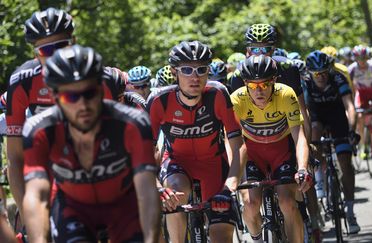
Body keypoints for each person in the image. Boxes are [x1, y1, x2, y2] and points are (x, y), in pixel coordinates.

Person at [22, 45, 160, 242]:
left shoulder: (132, 122)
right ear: (54, 97)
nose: (83, 105)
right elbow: (37, 196)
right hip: (72, 208)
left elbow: (146, 190)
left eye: (90, 94)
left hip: (124, 207)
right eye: (71, 96)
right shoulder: (40, 129)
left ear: (101, 89)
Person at [6, 8, 124, 219]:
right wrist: (27, 218)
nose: (54, 57)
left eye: (61, 46)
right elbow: (15, 158)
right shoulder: (22, 82)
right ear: (35, 54)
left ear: (74, 41)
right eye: (45, 51)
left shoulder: (101, 79)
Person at [145, 40, 247, 243]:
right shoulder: (159, 101)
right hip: (177, 164)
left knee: (221, 237)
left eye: (201, 70)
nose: (195, 77)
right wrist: (157, 186)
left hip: (213, 166)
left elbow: (239, 145)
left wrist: (230, 186)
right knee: (175, 194)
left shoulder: (218, 94)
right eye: (187, 70)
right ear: (175, 73)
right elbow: (143, 152)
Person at [231, 55, 311, 243]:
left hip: (281, 153)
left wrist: (302, 168)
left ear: (274, 81)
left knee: (288, 203)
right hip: (252, 155)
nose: (259, 91)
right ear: (245, 84)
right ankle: (257, 239)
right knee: (250, 204)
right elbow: (230, 141)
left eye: (265, 85)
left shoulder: (285, 94)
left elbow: (299, 136)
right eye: (252, 86)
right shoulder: (236, 100)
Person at [304, 50, 360, 234]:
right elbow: (304, 113)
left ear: (329, 70)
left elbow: (350, 107)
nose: (320, 77)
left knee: (345, 163)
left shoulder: (338, 79)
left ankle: (350, 212)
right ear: (310, 73)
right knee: (314, 135)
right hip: (317, 118)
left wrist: (352, 131)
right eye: (316, 74)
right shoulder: (305, 83)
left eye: (323, 72)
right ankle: (319, 182)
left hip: (337, 118)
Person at [348, 45, 372, 156]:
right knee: (359, 116)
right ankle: (363, 144)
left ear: (367, 57)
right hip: (361, 93)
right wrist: (352, 103)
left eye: (363, 58)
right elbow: (350, 88)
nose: (361, 61)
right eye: (358, 58)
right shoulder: (352, 69)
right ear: (355, 59)